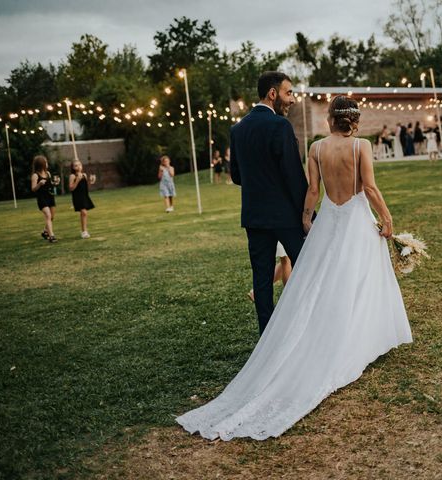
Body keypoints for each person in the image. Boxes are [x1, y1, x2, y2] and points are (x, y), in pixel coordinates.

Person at [176, 94, 412, 441]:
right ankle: (356, 340)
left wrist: (305, 218)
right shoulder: (361, 146)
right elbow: (371, 188)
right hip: (356, 221)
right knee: (359, 279)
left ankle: (336, 332)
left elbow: (313, 190)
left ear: (330, 119)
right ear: (354, 120)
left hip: (329, 223)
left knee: (324, 280)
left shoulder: (316, 149)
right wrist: (388, 219)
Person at [227, 71, 310, 335]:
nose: (292, 100)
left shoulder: (238, 129)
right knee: (308, 269)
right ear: (272, 94)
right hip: (286, 217)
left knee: (261, 281)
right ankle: (309, 327)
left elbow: (237, 175)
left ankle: (267, 338)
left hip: (255, 217)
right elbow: (294, 177)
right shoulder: (280, 126)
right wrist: (309, 215)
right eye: (289, 93)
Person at [30, 155, 59, 243]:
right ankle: (51, 236)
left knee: (52, 216)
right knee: (48, 215)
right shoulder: (35, 175)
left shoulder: (48, 173)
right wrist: (39, 184)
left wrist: (56, 183)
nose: (47, 164)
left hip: (50, 196)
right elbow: (33, 189)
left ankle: (45, 232)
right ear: (41, 164)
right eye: (45, 162)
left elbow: (50, 185)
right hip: (42, 198)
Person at [68, 160, 96, 239]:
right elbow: (71, 188)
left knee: (84, 213)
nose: (78, 166)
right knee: (84, 212)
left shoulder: (84, 175)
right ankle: (84, 231)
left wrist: (91, 181)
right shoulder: (72, 176)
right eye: (76, 165)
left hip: (84, 196)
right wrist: (77, 180)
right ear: (73, 168)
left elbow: (86, 186)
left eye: (79, 164)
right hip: (78, 197)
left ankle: (84, 230)